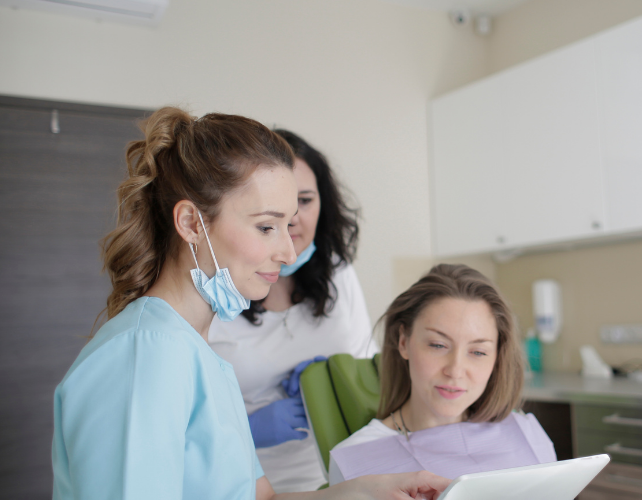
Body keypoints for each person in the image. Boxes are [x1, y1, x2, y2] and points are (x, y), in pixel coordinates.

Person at [51, 107, 449, 500]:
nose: (288, 252)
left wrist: (365, 492)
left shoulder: (199, 354)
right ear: (191, 223)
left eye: (288, 224)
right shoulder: (146, 354)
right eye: (266, 227)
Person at [207, 130, 374, 492]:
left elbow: (368, 361)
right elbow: (186, 419)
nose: (292, 218)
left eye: (305, 200)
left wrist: (335, 377)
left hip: (341, 479)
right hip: (247, 483)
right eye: (276, 206)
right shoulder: (216, 291)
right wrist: (247, 429)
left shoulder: (338, 272)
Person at [327, 264, 556, 484]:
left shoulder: (525, 435)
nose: (455, 370)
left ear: (497, 357)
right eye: (438, 345)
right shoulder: (356, 460)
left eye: (477, 352)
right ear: (404, 342)